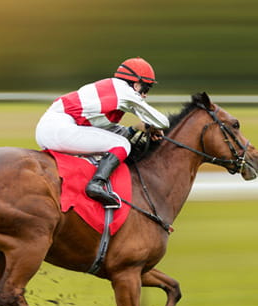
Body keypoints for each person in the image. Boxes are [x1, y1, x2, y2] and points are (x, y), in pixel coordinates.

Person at [36, 57, 170, 207]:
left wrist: (136, 128)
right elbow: (163, 122)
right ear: (136, 83)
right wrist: (150, 125)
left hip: (51, 128)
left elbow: (110, 132)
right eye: (146, 88)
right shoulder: (125, 92)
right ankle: (96, 184)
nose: (145, 95)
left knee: (116, 141)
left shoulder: (110, 90)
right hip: (59, 129)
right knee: (122, 144)